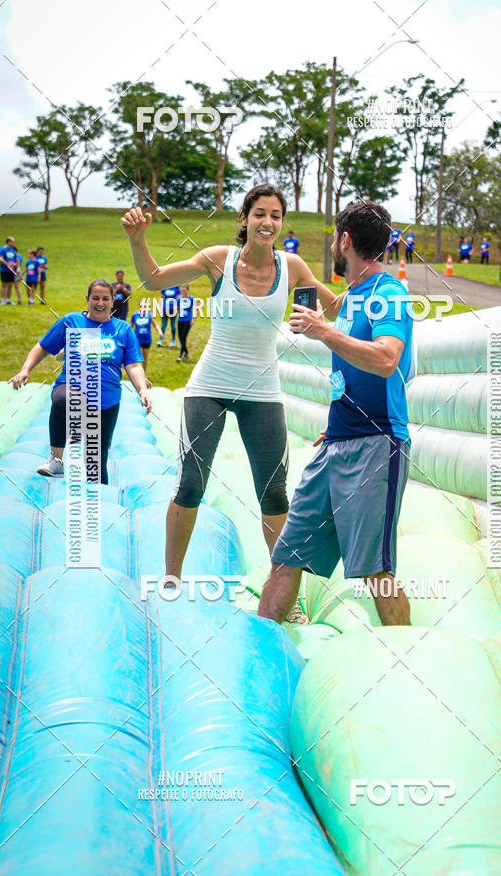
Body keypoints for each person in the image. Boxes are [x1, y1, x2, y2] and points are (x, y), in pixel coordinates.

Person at [121, 182, 341, 584]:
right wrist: (138, 240)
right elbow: (153, 279)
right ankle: (172, 577)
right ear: (244, 219)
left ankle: (283, 595)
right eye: (260, 214)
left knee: (274, 493)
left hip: (262, 392)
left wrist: (384, 296)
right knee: (190, 483)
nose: (268, 222)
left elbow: (336, 307)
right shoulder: (218, 259)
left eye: (276, 215)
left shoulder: (293, 268)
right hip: (210, 386)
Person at [257, 200, 414, 627]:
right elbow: (351, 370)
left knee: (376, 572)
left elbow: (386, 359)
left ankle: (406, 663)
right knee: (286, 557)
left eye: (333, 237)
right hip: (338, 443)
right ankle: (261, 651)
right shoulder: (351, 298)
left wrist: (322, 330)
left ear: (345, 241)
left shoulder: (389, 294)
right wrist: (334, 426)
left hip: (378, 444)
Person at [9, 279, 151, 483]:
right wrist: (25, 369)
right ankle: (56, 460)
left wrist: (142, 389)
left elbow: (134, 365)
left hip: (107, 401)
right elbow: (43, 346)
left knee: (96, 464)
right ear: (87, 299)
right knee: (62, 399)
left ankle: (100, 502)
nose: (100, 303)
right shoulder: (71, 321)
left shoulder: (123, 329)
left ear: (112, 302)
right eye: (95, 298)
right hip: (72, 386)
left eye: (105, 299)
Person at [131, 299, 162, 371]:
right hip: (137, 339)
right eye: (141, 306)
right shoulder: (135, 315)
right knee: (137, 358)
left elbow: (155, 325)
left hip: (147, 340)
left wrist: (159, 331)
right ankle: (136, 373)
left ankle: (143, 374)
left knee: (145, 358)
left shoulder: (149, 315)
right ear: (139, 306)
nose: (143, 307)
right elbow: (130, 327)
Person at [176, 284, 197, 361]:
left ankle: (181, 355)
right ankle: (187, 353)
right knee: (180, 337)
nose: (183, 292)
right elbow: (177, 309)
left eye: (185, 290)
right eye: (182, 291)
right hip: (180, 320)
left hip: (188, 320)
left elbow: (196, 309)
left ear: (188, 290)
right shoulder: (179, 299)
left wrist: (194, 319)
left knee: (183, 337)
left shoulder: (192, 298)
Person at [0, 237, 16, 305]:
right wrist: (8, 265)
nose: (13, 243)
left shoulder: (12, 250)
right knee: (4, 284)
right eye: (13, 242)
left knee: (10, 284)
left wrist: (15, 265)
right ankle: (2, 300)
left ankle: (8, 300)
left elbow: (15, 258)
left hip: (11, 270)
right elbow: (1, 259)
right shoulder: (2, 249)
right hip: (4, 270)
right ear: (8, 242)